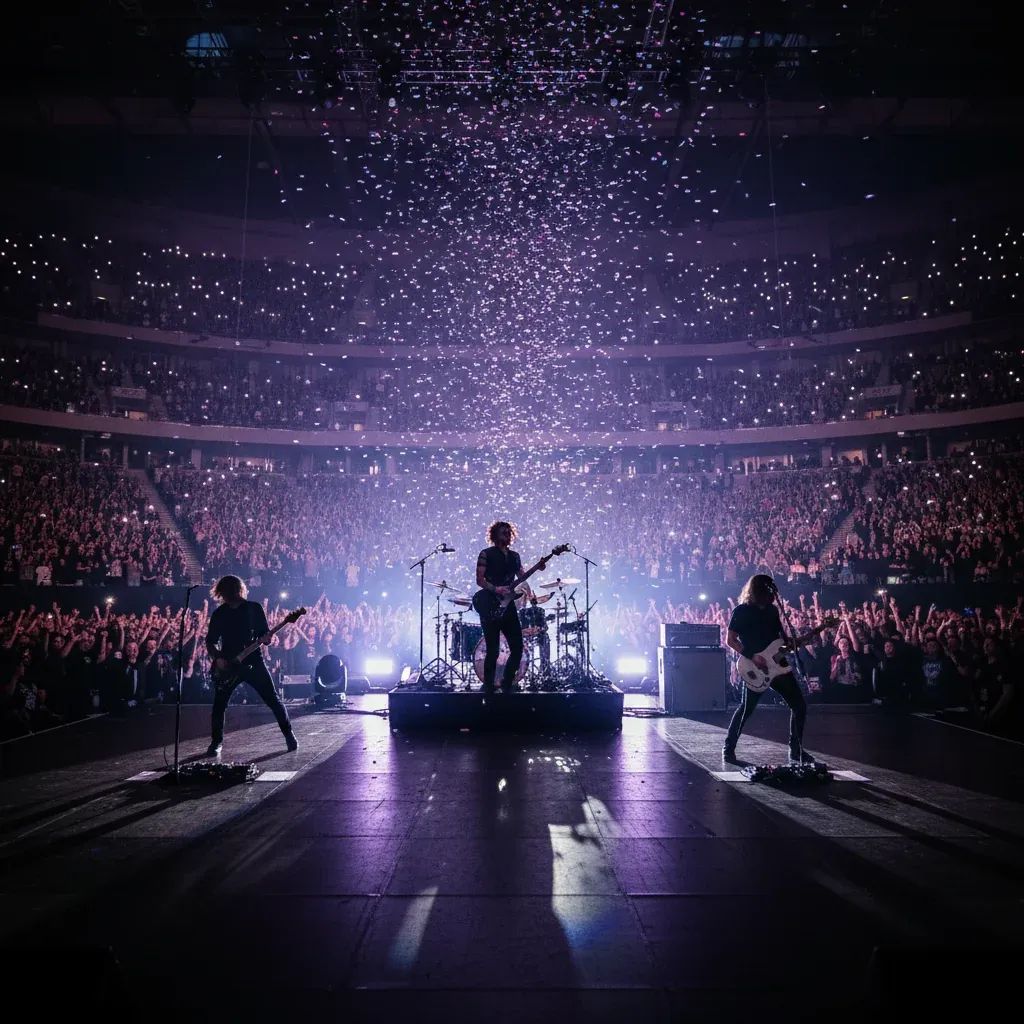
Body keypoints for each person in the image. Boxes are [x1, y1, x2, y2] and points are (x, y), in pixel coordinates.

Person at [204, 575, 297, 758]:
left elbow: (264, 635)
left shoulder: (254, 609)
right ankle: (216, 742)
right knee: (219, 705)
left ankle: (289, 735)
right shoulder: (219, 614)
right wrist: (218, 658)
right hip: (229, 664)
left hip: (254, 661)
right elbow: (211, 641)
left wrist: (267, 639)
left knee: (273, 699)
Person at [723, 573, 811, 765]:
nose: (772, 592)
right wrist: (752, 656)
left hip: (778, 665)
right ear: (759, 590)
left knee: (799, 706)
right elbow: (730, 640)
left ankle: (796, 750)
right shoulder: (742, 611)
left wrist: (798, 641)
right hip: (754, 666)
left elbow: (782, 640)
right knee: (746, 709)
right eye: (768, 588)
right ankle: (728, 748)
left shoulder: (772, 610)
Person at [475, 522, 552, 694]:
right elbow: (480, 580)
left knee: (517, 648)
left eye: (509, 532)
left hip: (508, 606)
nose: (507, 535)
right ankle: (488, 686)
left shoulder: (515, 556)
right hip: (490, 604)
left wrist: (538, 568)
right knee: (493, 649)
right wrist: (496, 589)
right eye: (504, 532)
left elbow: (522, 576)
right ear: (494, 535)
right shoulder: (486, 554)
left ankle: (507, 682)